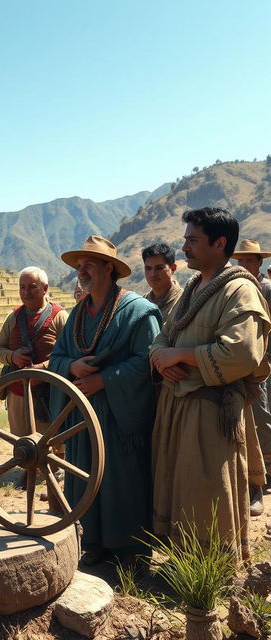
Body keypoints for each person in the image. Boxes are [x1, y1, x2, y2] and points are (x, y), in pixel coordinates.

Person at [151, 208, 270, 561]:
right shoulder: (192, 287)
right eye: (185, 239)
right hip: (179, 406)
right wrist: (162, 358)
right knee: (182, 489)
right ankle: (183, 565)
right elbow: (163, 337)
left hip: (211, 413)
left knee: (206, 491)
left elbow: (242, 352)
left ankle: (209, 575)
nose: (184, 247)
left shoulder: (239, 291)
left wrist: (181, 356)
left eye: (192, 240)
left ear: (219, 244)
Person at [48, 235, 161, 567]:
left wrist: (103, 380)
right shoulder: (77, 314)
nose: (81, 270)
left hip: (118, 415)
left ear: (109, 268)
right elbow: (56, 357)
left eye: (89, 264)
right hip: (82, 416)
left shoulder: (139, 312)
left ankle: (130, 550)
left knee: (121, 478)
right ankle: (92, 541)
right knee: (84, 474)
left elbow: (147, 359)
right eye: (79, 265)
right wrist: (70, 365)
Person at [0, 266, 68, 436]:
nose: (26, 292)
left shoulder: (60, 316)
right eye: (22, 287)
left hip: (50, 394)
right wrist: (13, 357)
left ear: (45, 289)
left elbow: (70, 354)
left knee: (53, 448)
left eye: (32, 286)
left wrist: (42, 368)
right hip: (17, 394)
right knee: (22, 447)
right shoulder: (13, 317)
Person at [231, 238, 271, 515]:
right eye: (240, 260)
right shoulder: (234, 288)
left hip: (264, 361)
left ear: (259, 263)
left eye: (249, 260)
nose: (244, 264)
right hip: (243, 363)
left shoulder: (266, 288)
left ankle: (263, 474)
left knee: (262, 416)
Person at [142, 242, 182, 322]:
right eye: (148, 268)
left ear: (173, 268)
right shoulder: (142, 303)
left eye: (159, 268)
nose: (153, 274)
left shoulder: (183, 301)